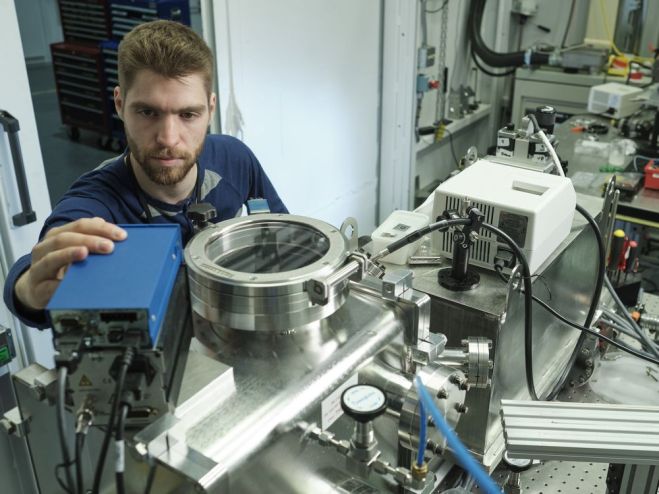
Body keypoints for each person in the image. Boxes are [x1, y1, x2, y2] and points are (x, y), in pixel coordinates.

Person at [3, 20, 287, 330]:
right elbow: (37, 271)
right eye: (148, 112)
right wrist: (28, 289)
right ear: (120, 104)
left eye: (188, 114)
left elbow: (284, 234)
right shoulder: (98, 203)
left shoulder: (234, 158)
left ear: (211, 108)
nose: (168, 138)